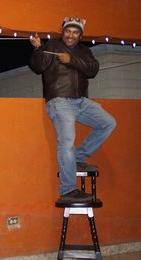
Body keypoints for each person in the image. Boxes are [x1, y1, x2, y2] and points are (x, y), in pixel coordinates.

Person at [29, 17, 116, 202]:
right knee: (67, 141)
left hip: (82, 101)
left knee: (108, 123)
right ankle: (68, 189)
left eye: (75, 32)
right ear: (63, 31)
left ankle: (78, 157)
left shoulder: (85, 51)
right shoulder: (52, 44)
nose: (70, 35)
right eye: (68, 31)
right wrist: (38, 48)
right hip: (59, 100)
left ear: (80, 35)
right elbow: (38, 66)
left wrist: (71, 60)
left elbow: (93, 70)